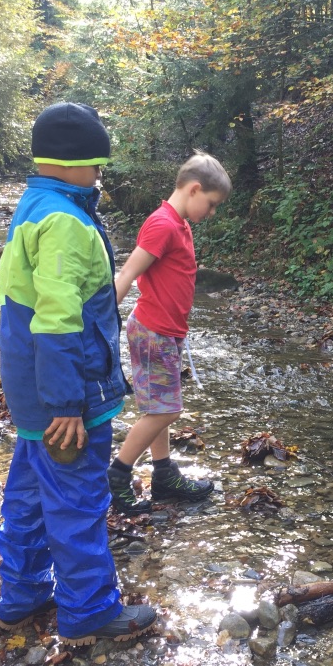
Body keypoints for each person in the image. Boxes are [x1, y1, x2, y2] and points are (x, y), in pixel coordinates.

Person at [0, 102, 156, 645]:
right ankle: (89, 611)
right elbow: (57, 320)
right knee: (78, 498)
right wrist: (67, 404)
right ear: (75, 163)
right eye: (97, 166)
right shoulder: (65, 220)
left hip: (29, 386)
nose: (100, 176)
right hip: (67, 392)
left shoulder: (36, 204)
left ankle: (21, 596)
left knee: (28, 493)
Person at [107, 151, 231, 514]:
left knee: (159, 407)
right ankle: (118, 474)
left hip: (167, 332)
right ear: (194, 189)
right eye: (211, 204)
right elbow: (128, 273)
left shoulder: (180, 225)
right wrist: (100, 322)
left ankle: (163, 475)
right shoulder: (162, 224)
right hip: (153, 331)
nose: (212, 212)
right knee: (166, 411)